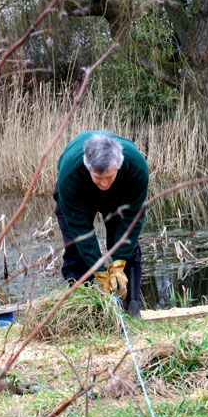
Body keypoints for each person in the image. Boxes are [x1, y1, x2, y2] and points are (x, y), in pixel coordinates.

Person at [53, 131, 149, 318]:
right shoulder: (70, 174)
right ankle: (84, 310)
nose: (104, 184)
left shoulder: (136, 167)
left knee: (126, 246)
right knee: (76, 250)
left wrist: (119, 261)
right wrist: (99, 271)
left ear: (118, 166)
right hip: (80, 191)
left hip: (120, 192)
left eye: (109, 177)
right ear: (87, 167)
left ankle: (131, 306)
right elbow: (80, 230)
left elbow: (132, 219)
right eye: (98, 178)